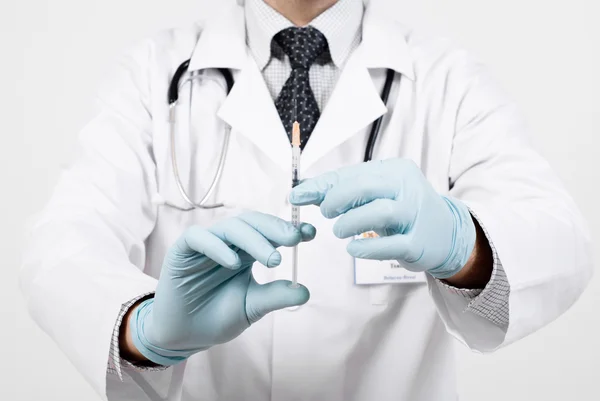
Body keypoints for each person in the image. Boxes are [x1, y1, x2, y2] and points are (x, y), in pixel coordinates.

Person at [20, 0, 593, 400]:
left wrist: (463, 242)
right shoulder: (152, 76)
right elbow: (62, 246)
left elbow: (557, 237)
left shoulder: (446, 79)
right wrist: (143, 331)